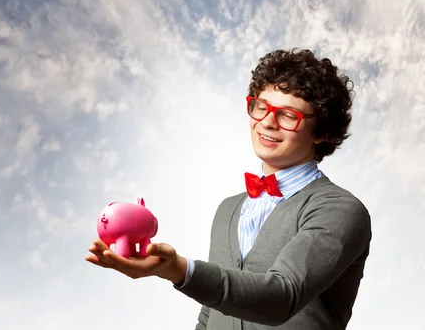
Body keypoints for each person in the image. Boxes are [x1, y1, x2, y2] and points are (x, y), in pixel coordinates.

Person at [85, 49, 372, 330]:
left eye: (288, 115)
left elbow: (282, 297)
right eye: (261, 107)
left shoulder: (340, 209)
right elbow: (210, 314)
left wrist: (180, 270)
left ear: (321, 131)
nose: (268, 122)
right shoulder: (228, 209)